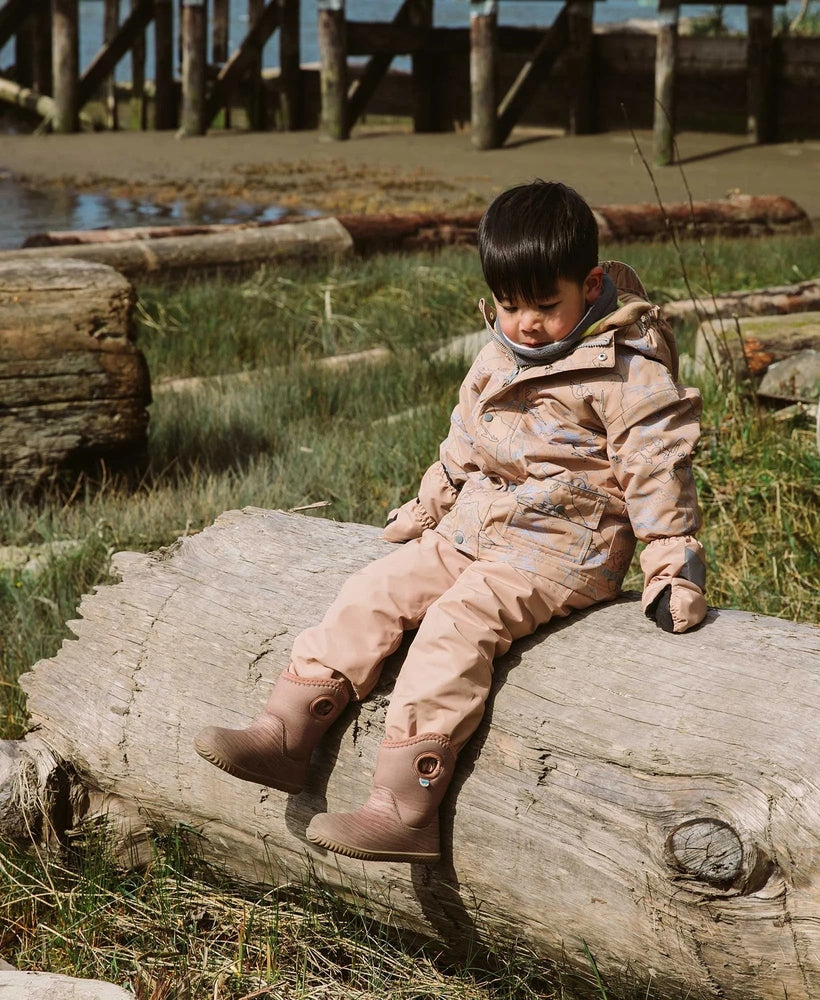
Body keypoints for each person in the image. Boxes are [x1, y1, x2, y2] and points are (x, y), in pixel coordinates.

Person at [194, 180, 707, 864]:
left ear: (589, 286)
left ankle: (404, 807)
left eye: (544, 305)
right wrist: (430, 505)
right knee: (373, 590)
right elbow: (466, 440)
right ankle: (285, 733)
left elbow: (656, 468)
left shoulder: (626, 370)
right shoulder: (501, 352)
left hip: (562, 549)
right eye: (509, 305)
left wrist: (671, 565)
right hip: (474, 527)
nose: (525, 323)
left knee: (454, 627)